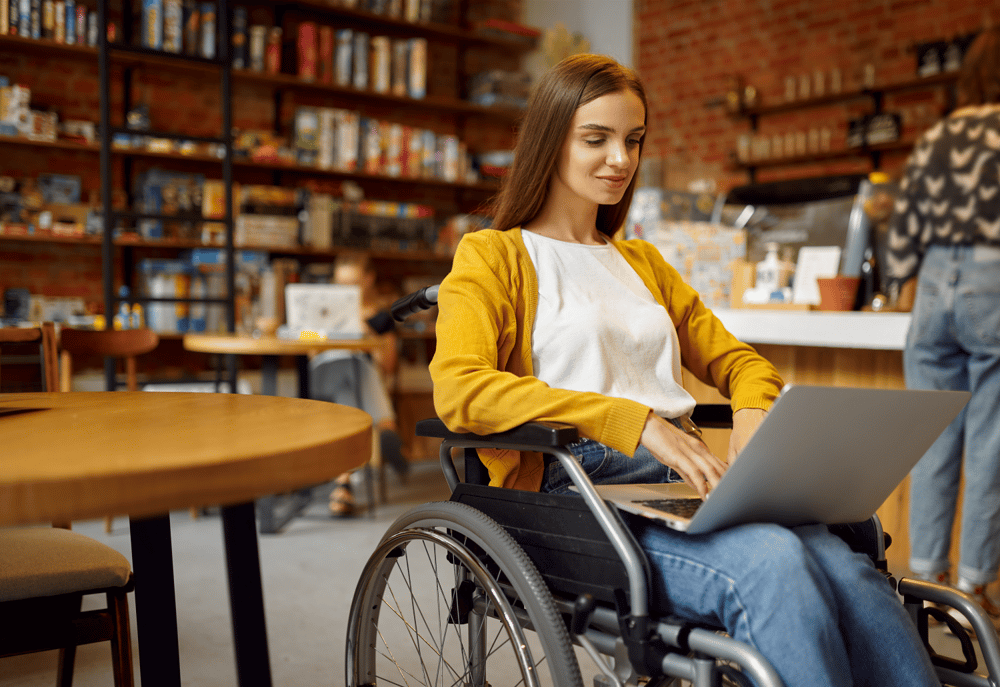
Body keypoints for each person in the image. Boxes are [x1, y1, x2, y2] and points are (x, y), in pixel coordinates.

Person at [428, 53, 940, 686]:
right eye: (597, 139)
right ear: (549, 142)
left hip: (684, 479)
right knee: (774, 564)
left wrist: (754, 406)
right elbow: (461, 390)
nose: (620, 158)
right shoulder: (493, 256)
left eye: (633, 140)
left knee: (847, 570)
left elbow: (740, 362)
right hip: (573, 491)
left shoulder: (641, 262)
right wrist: (633, 420)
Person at [885, 26, 1000, 627]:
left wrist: (899, 283)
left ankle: (926, 580)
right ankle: (976, 587)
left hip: (933, 283)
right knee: (990, 440)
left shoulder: (941, 135)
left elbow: (903, 231)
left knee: (932, 433)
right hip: (993, 278)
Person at [310, 251, 409, 517]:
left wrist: (366, 333)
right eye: (340, 283)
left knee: (358, 369)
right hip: (324, 376)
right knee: (350, 366)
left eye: (352, 282)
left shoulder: (380, 319)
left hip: (358, 384)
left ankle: (343, 485)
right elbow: (305, 342)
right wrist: (322, 332)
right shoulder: (321, 312)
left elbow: (388, 365)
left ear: (368, 280)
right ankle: (386, 424)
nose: (346, 290)